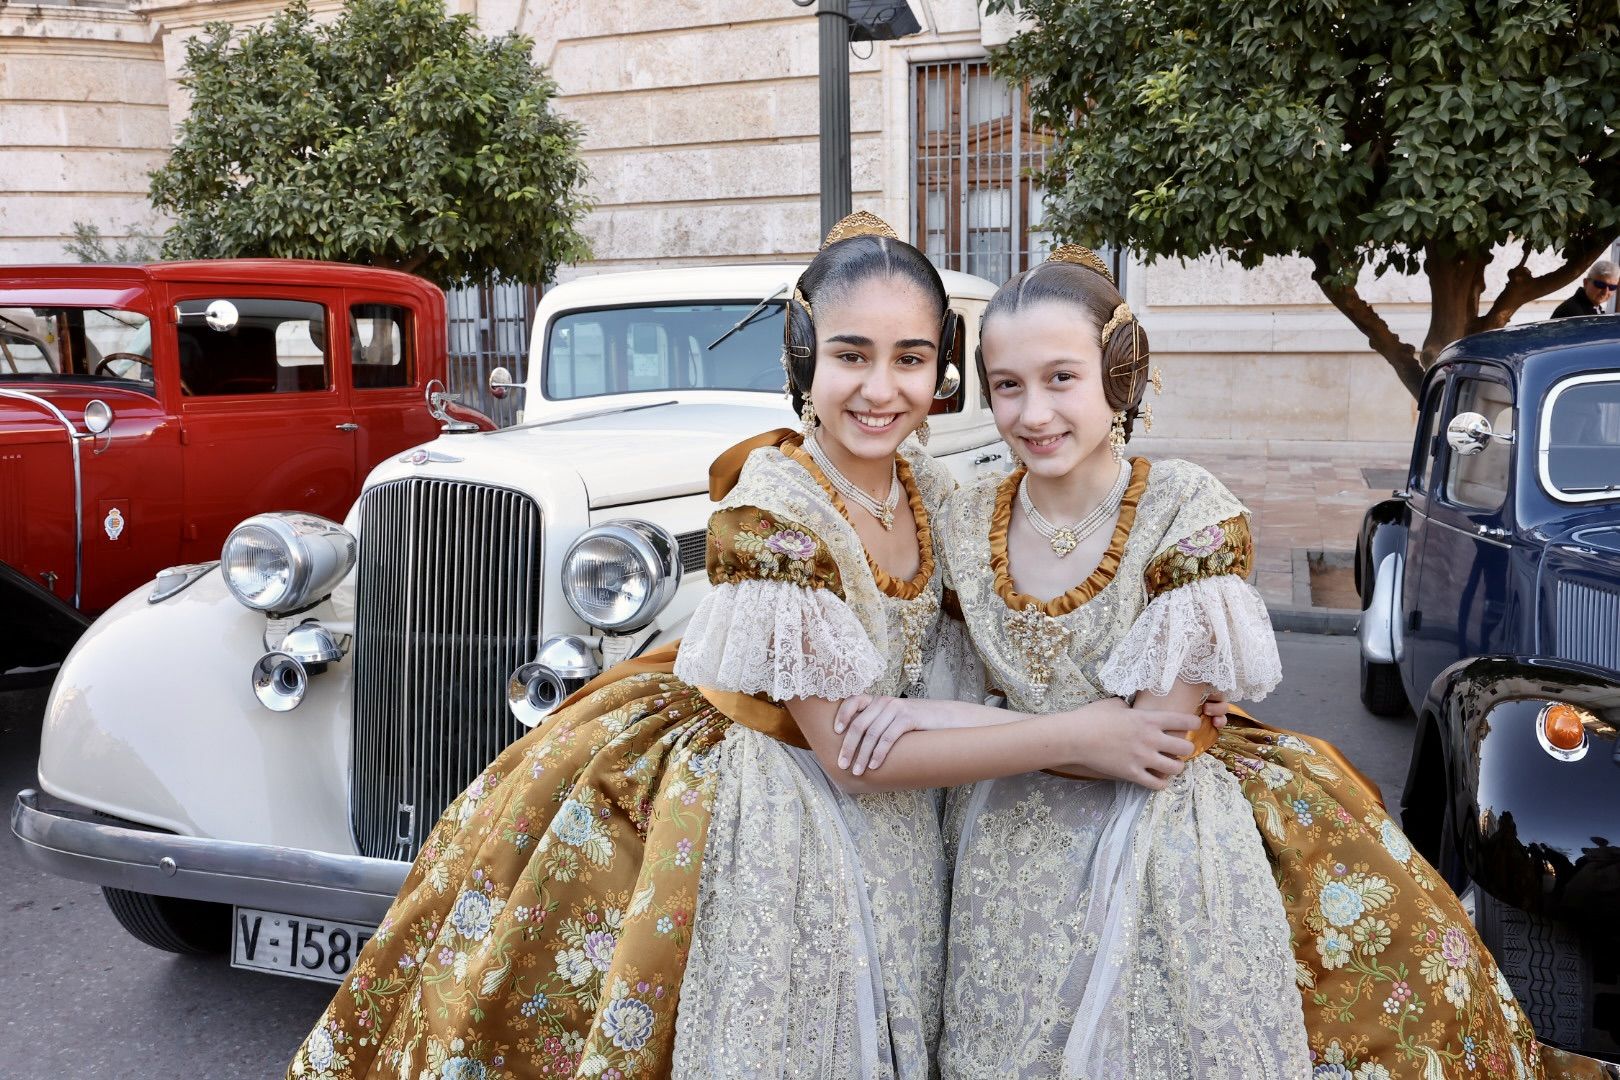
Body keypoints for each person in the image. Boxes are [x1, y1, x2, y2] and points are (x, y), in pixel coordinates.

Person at [284, 214, 1221, 1080]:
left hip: (909, 813)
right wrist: (1083, 735)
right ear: (806, 358)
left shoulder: (935, 493)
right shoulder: (771, 501)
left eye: (911, 359)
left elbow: (1006, 641)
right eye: (852, 355)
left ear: (941, 374)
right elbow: (843, 754)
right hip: (779, 817)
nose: (880, 388)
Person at [835, 246, 1607, 1079]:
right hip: (999, 855)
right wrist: (1053, 725)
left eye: (1062, 378)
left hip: (1154, 845)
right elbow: (957, 676)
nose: (1033, 412)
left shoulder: (1185, 508)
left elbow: (1151, 741)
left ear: (1119, 376)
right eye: (1009, 385)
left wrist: (954, 723)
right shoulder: (967, 512)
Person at [1551, 259, 1618, 318]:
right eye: (1600, 285)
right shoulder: (1573, 314)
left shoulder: (1593, 308)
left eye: (1612, 287)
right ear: (1586, 283)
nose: (1605, 292)